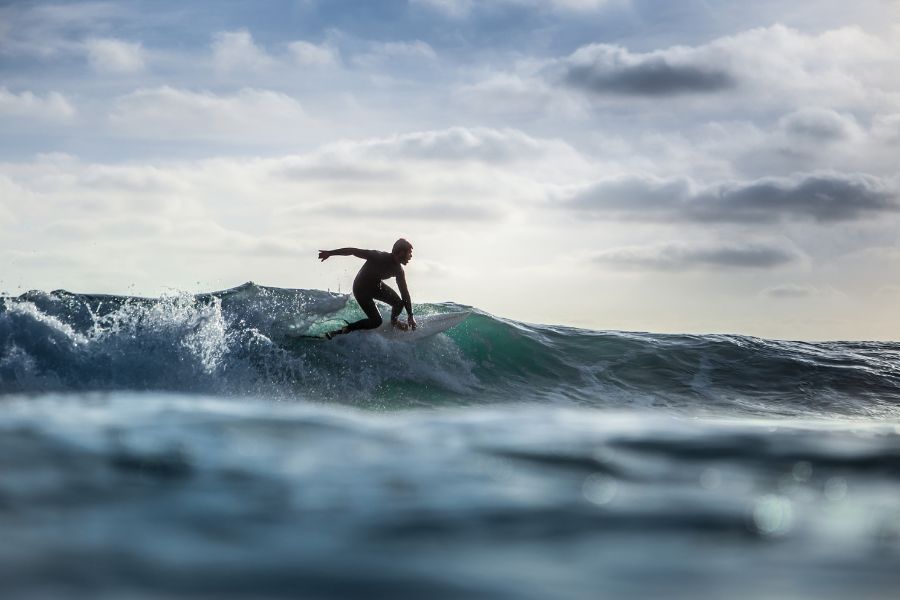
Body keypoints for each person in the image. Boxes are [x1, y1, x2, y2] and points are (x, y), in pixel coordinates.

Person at [317, 238, 417, 339]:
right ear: (401, 252)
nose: (411, 256)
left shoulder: (399, 270)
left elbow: (404, 293)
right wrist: (330, 253)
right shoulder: (378, 256)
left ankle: (394, 322)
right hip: (361, 288)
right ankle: (343, 330)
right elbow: (353, 251)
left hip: (376, 286)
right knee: (376, 321)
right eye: (409, 253)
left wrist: (410, 315)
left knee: (399, 304)